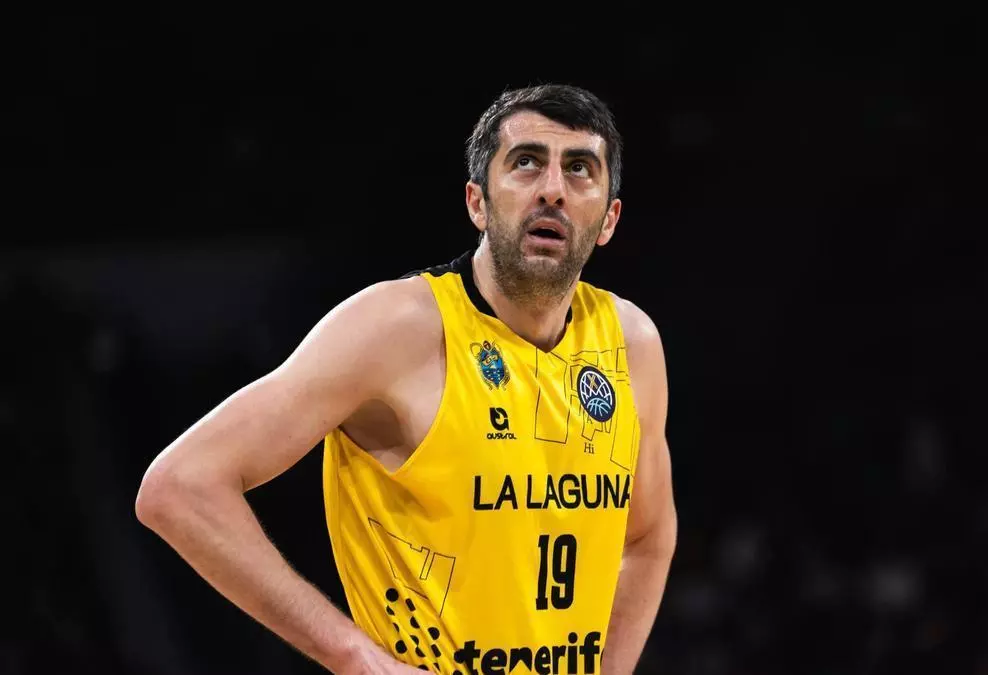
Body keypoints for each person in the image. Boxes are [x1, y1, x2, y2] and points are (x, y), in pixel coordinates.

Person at [135, 83, 677, 675]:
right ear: (477, 202)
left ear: (608, 218)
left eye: (579, 169)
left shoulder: (631, 344)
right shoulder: (397, 328)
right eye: (526, 163)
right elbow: (180, 487)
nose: (552, 189)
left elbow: (648, 538)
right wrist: (353, 657)